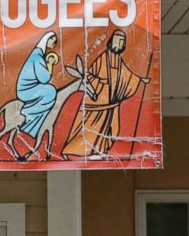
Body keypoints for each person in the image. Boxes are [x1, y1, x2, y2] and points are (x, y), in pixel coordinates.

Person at [61, 29, 149, 160]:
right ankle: (80, 152)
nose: (119, 44)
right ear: (111, 42)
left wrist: (139, 79)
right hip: (98, 102)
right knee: (90, 129)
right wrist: (102, 85)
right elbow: (89, 76)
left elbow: (126, 75)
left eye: (121, 42)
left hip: (111, 103)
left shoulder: (118, 60)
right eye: (117, 41)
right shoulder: (103, 58)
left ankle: (100, 151)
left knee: (113, 130)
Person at [15, 31, 59, 138]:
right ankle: (28, 114)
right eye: (52, 42)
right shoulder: (37, 56)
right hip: (26, 90)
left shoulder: (38, 54)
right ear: (46, 40)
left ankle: (32, 126)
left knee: (50, 91)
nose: (52, 46)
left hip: (31, 88)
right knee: (50, 91)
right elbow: (44, 78)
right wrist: (50, 64)